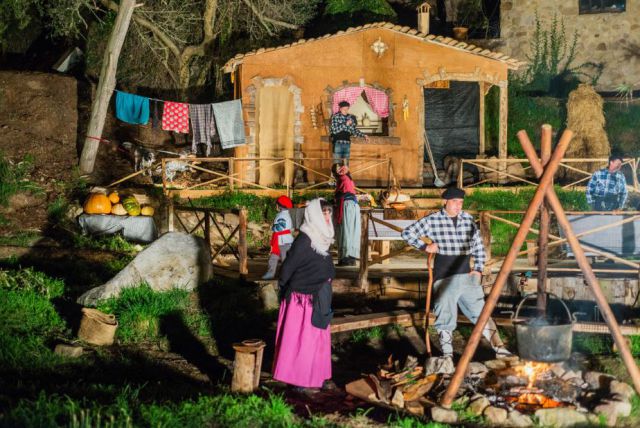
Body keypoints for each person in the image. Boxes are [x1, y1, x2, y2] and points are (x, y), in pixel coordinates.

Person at [401, 187, 510, 359]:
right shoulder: (433, 220)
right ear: (445, 202)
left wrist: (479, 269)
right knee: (445, 313)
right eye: (455, 202)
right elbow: (407, 233)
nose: (459, 206)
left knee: (481, 312)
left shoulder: (467, 219)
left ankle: (499, 348)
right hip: (445, 275)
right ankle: (447, 355)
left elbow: (478, 245)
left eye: (461, 202)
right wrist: (425, 246)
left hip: (467, 274)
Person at [272, 198, 336, 391]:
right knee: (302, 339)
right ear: (315, 214)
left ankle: (318, 374)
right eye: (323, 212)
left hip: (320, 294)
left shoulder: (324, 237)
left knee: (318, 337)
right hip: (302, 298)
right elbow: (288, 267)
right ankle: (298, 378)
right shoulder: (305, 238)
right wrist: (283, 288)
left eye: (329, 212)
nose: (327, 216)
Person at [332, 164, 360, 266]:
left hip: (347, 206)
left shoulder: (343, 178)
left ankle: (345, 259)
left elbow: (341, 193)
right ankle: (351, 258)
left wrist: (335, 197)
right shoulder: (347, 178)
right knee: (351, 231)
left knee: (346, 231)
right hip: (351, 206)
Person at [262, 195, 294, 280]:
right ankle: (271, 273)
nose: (276, 206)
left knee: (284, 259)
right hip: (280, 240)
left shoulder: (283, 215)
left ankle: (286, 275)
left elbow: (280, 227)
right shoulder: (282, 214)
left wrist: (272, 227)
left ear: (280, 206)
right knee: (274, 257)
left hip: (284, 241)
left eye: (277, 204)